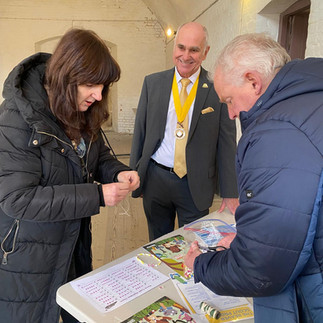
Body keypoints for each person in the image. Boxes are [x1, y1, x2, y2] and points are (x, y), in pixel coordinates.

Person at [0, 28, 140, 323]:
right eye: (90, 84)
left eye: (102, 86)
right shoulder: (16, 118)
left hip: (73, 244)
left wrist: (119, 171)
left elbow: (96, 155)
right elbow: (18, 199)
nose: (98, 95)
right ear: (65, 78)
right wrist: (97, 195)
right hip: (28, 255)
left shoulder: (80, 109)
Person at [184, 33, 323, 322]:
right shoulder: (311, 96)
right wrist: (252, 238)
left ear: (253, 81)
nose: (232, 113)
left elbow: (261, 268)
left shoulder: (277, 133)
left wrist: (201, 265)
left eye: (230, 100)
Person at [130, 22, 239, 241]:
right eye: (181, 47)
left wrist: (230, 192)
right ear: (174, 48)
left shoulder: (217, 87)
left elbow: (227, 144)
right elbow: (140, 133)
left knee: (195, 245)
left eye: (194, 50)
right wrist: (135, 175)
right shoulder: (153, 83)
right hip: (155, 179)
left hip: (195, 184)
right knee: (158, 242)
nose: (186, 56)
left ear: (205, 52)